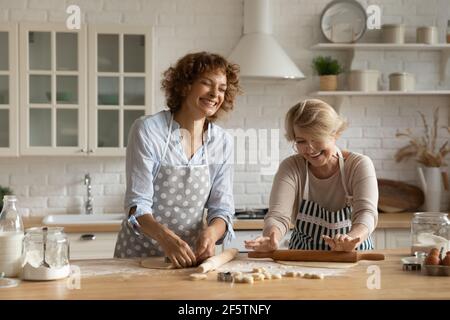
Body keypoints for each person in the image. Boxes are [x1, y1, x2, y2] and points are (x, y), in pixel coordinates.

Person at [114, 52, 241, 268]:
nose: (214, 94)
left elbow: (222, 209)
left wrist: (211, 233)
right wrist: (166, 239)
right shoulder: (148, 130)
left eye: (221, 88)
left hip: (189, 260)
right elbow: (137, 204)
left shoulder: (222, 142)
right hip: (138, 257)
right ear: (185, 85)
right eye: (206, 83)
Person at [245, 99, 378, 252]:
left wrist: (352, 238)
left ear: (335, 134)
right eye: (301, 141)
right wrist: (270, 237)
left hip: (353, 256)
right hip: (303, 258)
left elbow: (366, 212)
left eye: (316, 138)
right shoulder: (291, 167)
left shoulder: (358, 165)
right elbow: (278, 216)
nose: (310, 149)